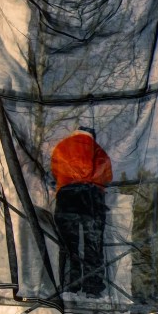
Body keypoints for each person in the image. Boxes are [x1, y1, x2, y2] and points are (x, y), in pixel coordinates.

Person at [50, 126, 112, 297]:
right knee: (93, 242)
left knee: (69, 243)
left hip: (67, 195)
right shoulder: (98, 150)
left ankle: (70, 285)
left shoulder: (62, 146)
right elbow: (107, 176)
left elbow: (55, 170)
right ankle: (93, 287)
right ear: (92, 135)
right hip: (92, 196)